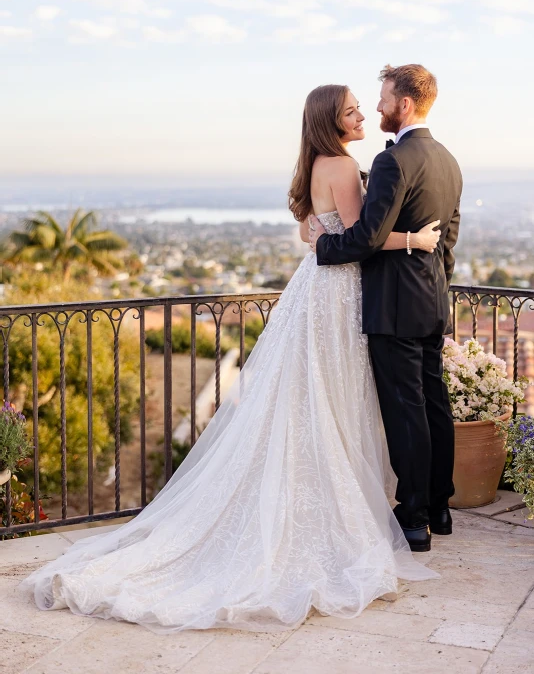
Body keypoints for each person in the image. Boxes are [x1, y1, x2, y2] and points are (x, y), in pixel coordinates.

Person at [21, 84, 440, 634]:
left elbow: (309, 231)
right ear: (330, 121)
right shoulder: (341, 163)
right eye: (351, 110)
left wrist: (326, 233)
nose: (362, 114)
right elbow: (363, 237)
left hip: (313, 288)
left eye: (362, 107)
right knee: (333, 394)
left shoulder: (316, 162)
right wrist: (414, 238)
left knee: (311, 395)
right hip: (337, 291)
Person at [309, 64, 462, 554]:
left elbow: (369, 238)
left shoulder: (394, 160)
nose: (376, 106)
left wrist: (323, 248)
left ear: (405, 105)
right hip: (432, 299)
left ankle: (414, 517)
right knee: (434, 405)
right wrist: (434, 287)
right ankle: (440, 506)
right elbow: (448, 244)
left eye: (383, 98)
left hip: (394, 304)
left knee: (406, 411)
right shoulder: (448, 160)